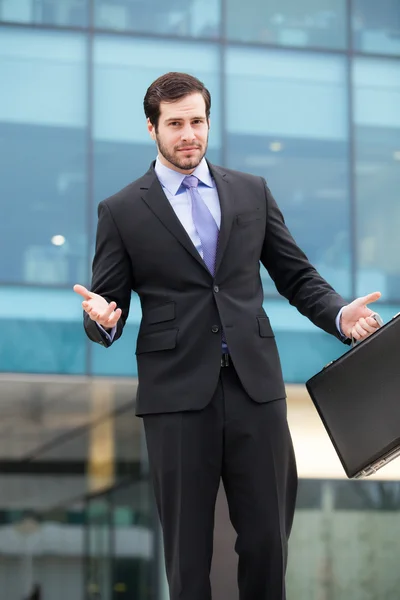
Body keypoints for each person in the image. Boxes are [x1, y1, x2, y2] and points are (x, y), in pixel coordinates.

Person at [74, 72, 381, 600]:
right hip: (176, 397)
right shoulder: (122, 211)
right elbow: (108, 304)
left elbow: (296, 275)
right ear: (152, 129)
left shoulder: (251, 191)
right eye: (175, 124)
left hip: (255, 388)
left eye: (197, 121)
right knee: (187, 554)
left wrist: (338, 315)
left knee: (267, 541)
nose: (188, 133)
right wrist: (103, 320)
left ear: (208, 122)